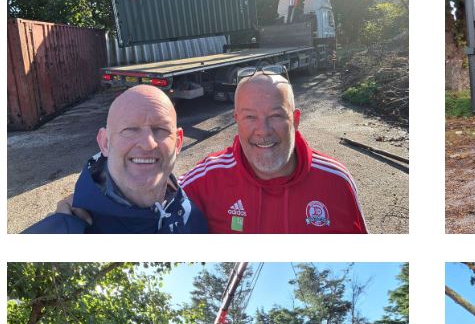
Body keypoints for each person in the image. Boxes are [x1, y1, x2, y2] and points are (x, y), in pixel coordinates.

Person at [180, 69, 367, 233]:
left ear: (295, 120)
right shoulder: (206, 180)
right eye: (250, 117)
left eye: (276, 115)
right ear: (236, 120)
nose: (263, 130)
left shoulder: (336, 182)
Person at [23, 85, 207, 233]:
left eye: (161, 130)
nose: (148, 144)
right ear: (104, 143)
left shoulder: (192, 217)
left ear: (178, 142)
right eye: (130, 129)